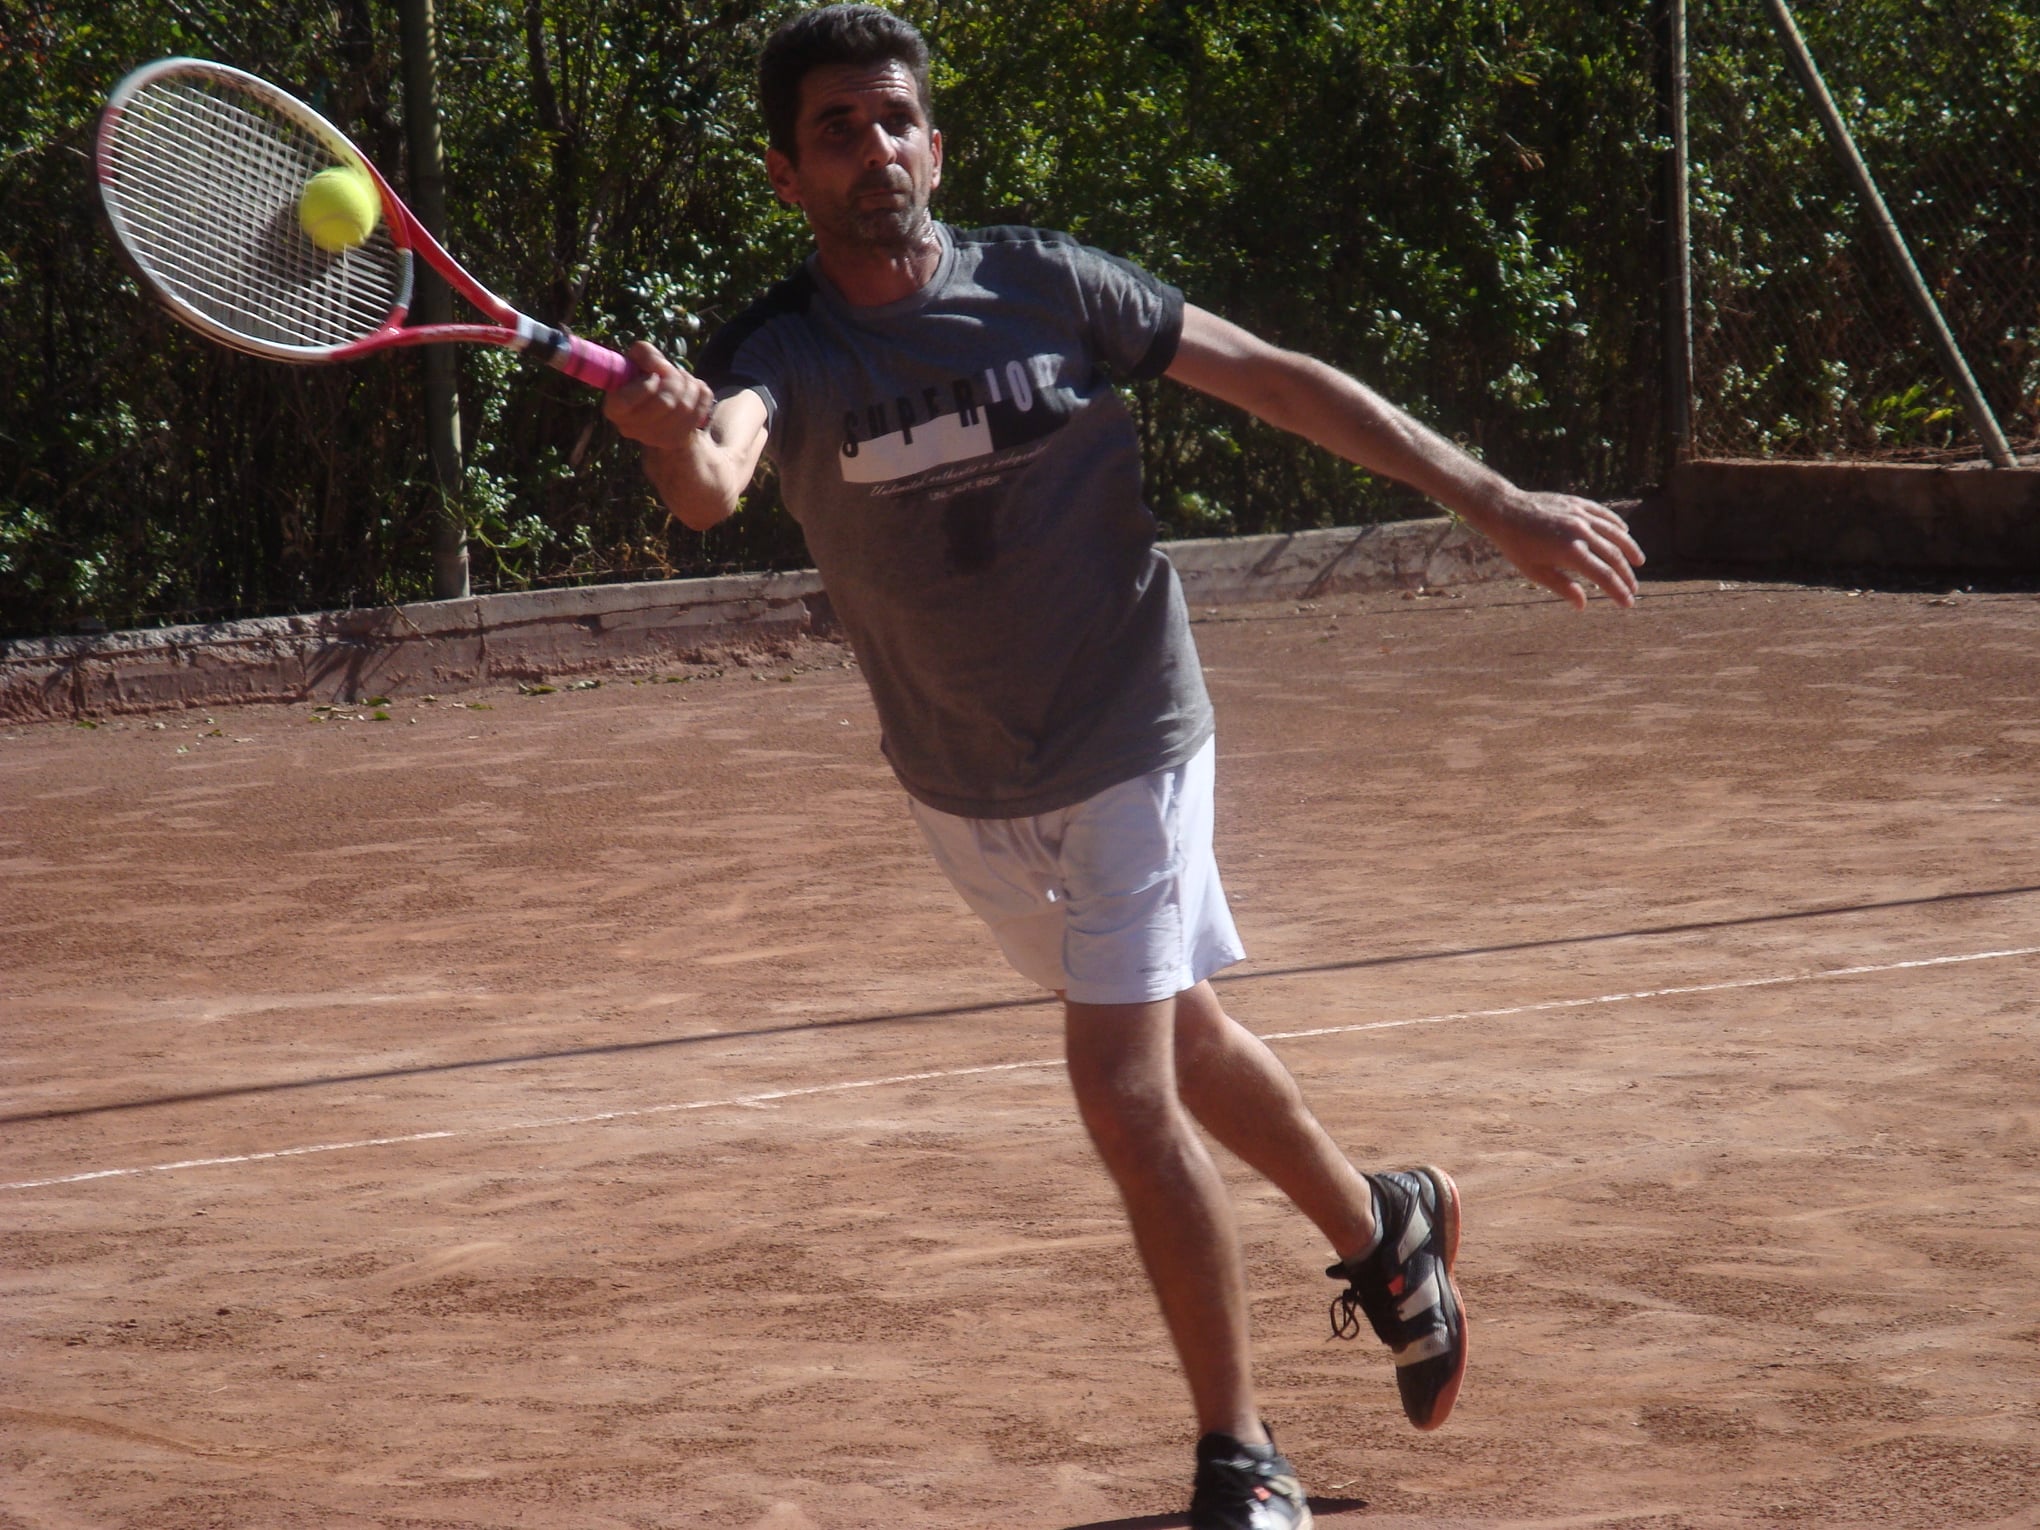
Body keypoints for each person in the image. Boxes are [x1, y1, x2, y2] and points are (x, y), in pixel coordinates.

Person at [604, 7, 1643, 1525]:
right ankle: (1389, 1223)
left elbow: (1278, 376)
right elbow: (716, 475)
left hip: (1132, 728)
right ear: (787, 174)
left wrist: (1487, 500)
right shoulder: (778, 350)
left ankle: (1245, 1455)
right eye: (836, 128)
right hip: (961, 775)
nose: (873, 148)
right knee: (1187, 1040)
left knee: (1120, 1084)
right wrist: (661, 430)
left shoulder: (1048, 285)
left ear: (936, 145)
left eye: (895, 119)